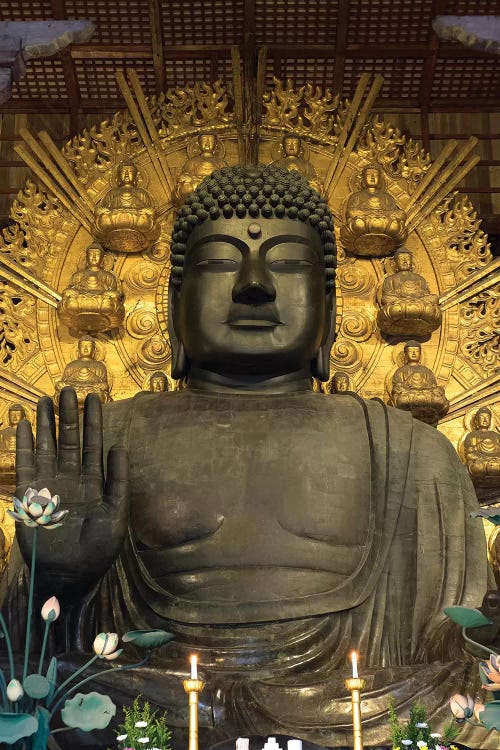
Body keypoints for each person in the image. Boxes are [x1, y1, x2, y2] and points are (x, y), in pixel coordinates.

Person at [10, 165, 488, 749]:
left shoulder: (412, 451)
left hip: (353, 711)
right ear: (172, 302)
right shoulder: (105, 439)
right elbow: (26, 648)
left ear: (331, 307)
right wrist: (58, 578)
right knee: (60, 699)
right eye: (219, 261)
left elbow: (453, 644)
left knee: (454, 702)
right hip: (151, 700)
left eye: (287, 263)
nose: (254, 284)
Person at [377, 248, 442, 336]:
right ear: (395, 264)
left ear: (412, 262)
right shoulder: (390, 279)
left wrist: (417, 296)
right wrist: (400, 297)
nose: (405, 261)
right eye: (401, 259)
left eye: (407, 259)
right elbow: (386, 297)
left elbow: (425, 295)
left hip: (417, 303)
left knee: (434, 298)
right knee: (386, 299)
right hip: (399, 304)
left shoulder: (420, 279)